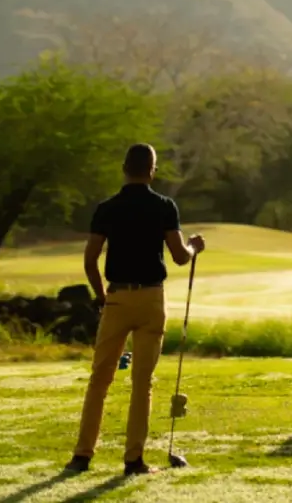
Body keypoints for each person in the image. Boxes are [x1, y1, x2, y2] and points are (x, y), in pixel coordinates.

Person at [64, 143, 205, 476]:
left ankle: (82, 456)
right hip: (151, 299)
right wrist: (195, 246)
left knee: (100, 379)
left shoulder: (107, 208)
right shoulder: (164, 206)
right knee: (143, 382)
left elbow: (90, 259)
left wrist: (102, 297)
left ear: (124, 168)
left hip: (116, 298)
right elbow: (180, 256)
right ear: (152, 171)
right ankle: (133, 460)